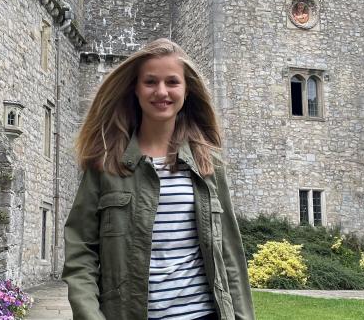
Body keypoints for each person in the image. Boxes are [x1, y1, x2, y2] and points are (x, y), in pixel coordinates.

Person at [63, 38, 254, 320]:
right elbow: (81, 250)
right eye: (150, 82)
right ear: (136, 90)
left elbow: (229, 252)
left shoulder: (207, 163)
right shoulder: (107, 163)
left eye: (172, 82)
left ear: (187, 91)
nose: (161, 91)